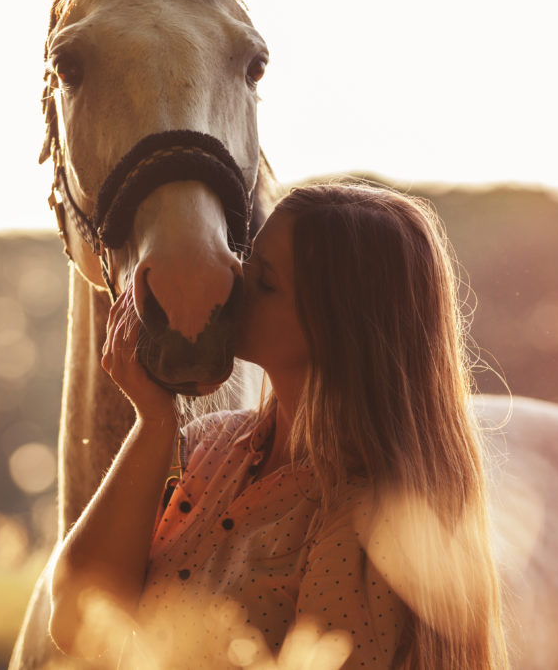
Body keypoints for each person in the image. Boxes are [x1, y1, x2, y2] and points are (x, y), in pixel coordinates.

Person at [48, 183, 508, 669]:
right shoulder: (210, 446)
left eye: (265, 282)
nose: (233, 283)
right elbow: (75, 624)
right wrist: (153, 421)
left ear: (335, 331)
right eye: (246, 259)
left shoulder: (364, 521)